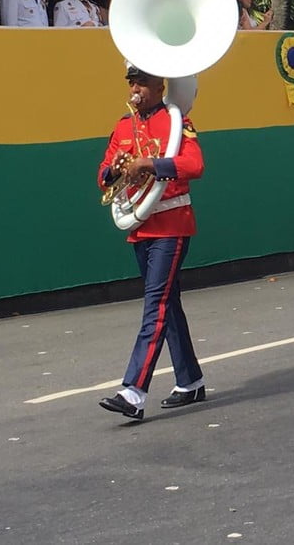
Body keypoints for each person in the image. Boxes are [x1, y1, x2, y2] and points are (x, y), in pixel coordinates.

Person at [97, 67, 206, 421]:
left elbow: (195, 164)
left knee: (155, 303)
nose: (134, 88)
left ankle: (134, 390)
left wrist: (152, 163)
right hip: (141, 225)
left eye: (141, 81)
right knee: (167, 303)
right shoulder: (123, 126)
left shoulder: (177, 122)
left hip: (171, 223)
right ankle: (190, 381)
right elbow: (102, 175)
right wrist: (114, 171)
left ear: (160, 85)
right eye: (131, 81)